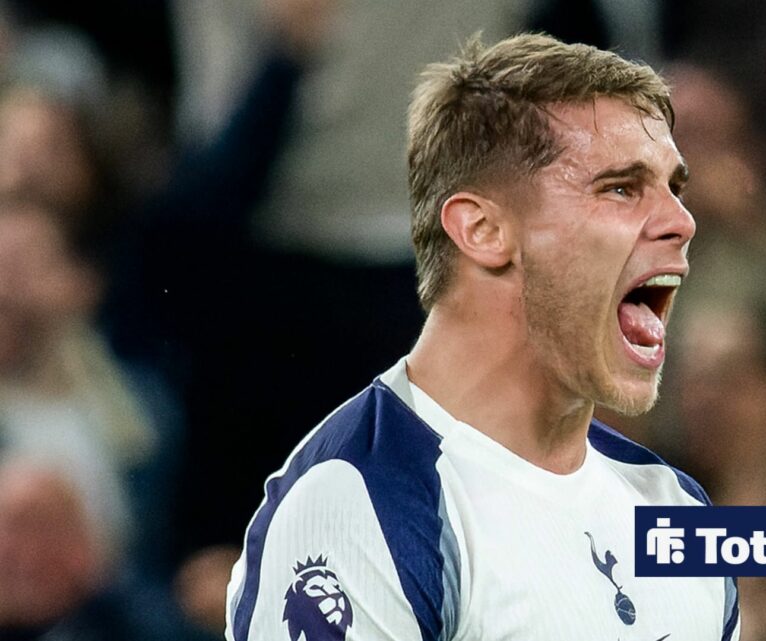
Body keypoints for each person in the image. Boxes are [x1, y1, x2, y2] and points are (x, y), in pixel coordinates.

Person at [224, 33, 739, 641]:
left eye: (674, 188)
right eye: (621, 188)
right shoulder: (362, 502)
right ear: (483, 230)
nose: (682, 221)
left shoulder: (672, 507)